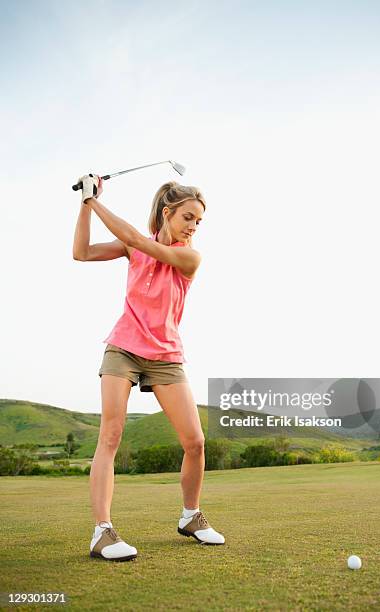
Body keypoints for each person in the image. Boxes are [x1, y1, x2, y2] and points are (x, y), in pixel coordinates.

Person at [72, 174, 225, 562]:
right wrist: (84, 205)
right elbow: (82, 252)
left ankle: (191, 515)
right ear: (167, 212)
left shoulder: (190, 256)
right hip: (123, 348)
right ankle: (102, 532)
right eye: (188, 217)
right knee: (111, 435)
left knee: (195, 442)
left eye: (199, 221)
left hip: (166, 356)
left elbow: (140, 240)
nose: (193, 227)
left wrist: (95, 200)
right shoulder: (132, 246)